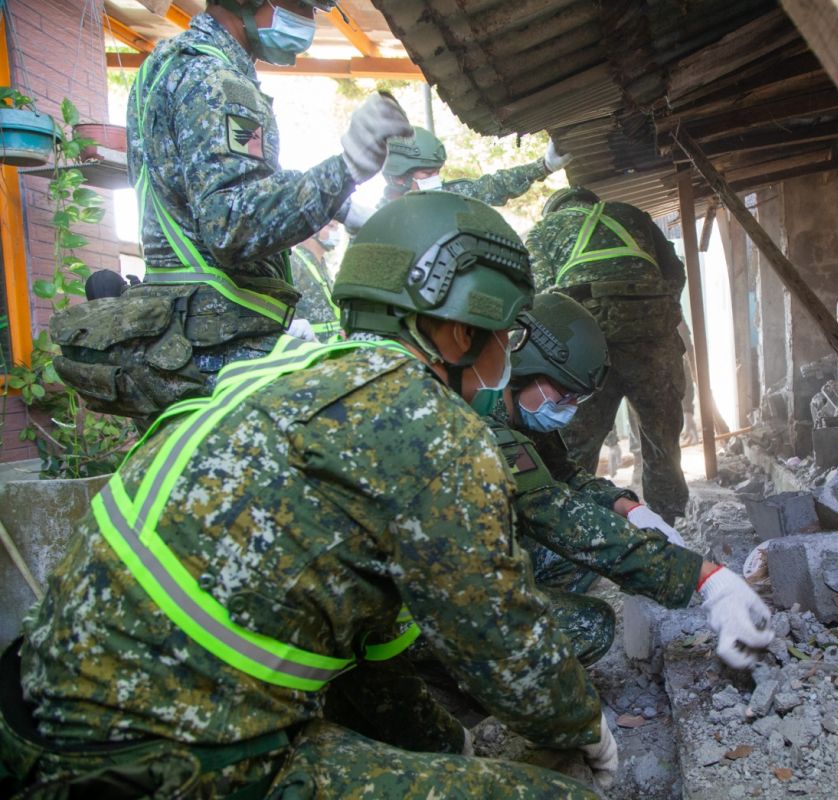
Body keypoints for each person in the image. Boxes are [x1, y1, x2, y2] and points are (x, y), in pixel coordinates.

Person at [1, 193, 614, 798]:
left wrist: (447, 749)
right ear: (457, 332)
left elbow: (371, 668)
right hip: (161, 766)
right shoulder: (435, 432)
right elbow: (507, 650)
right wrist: (585, 728)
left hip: (37, 725)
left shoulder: (281, 374)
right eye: (504, 333)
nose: (507, 351)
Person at [51, 0, 408, 422]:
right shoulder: (215, 80)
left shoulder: (171, 64)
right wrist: (345, 170)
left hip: (187, 341)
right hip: (221, 351)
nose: (310, 22)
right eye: (300, 6)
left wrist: (343, 205)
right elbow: (231, 225)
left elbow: (215, 183)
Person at [479, 291, 773, 670]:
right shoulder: (485, 430)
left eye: (577, 400)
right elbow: (562, 518)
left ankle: (525, 598)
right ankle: (454, 678)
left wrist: (629, 509)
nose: (567, 409)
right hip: (433, 602)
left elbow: (566, 475)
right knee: (592, 625)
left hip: (484, 553)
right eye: (564, 395)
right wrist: (706, 579)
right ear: (523, 368)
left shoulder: (519, 410)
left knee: (587, 556)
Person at [526, 186, 690, 522]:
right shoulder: (632, 216)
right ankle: (667, 523)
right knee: (662, 439)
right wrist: (652, 311)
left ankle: (574, 529)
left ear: (554, 209)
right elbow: (674, 271)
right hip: (651, 340)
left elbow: (541, 296)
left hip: (583, 348)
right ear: (594, 204)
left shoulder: (543, 230)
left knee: (574, 448)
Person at [381, 126, 572, 206]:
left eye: (437, 172)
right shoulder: (376, 224)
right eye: (428, 173)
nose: (436, 179)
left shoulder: (449, 198)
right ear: (399, 177)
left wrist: (544, 166)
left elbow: (495, 186)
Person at [290, 223, 342, 343]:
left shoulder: (323, 265)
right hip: (312, 346)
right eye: (331, 226)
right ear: (312, 231)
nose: (336, 233)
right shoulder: (294, 262)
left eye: (337, 228)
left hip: (332, 343)